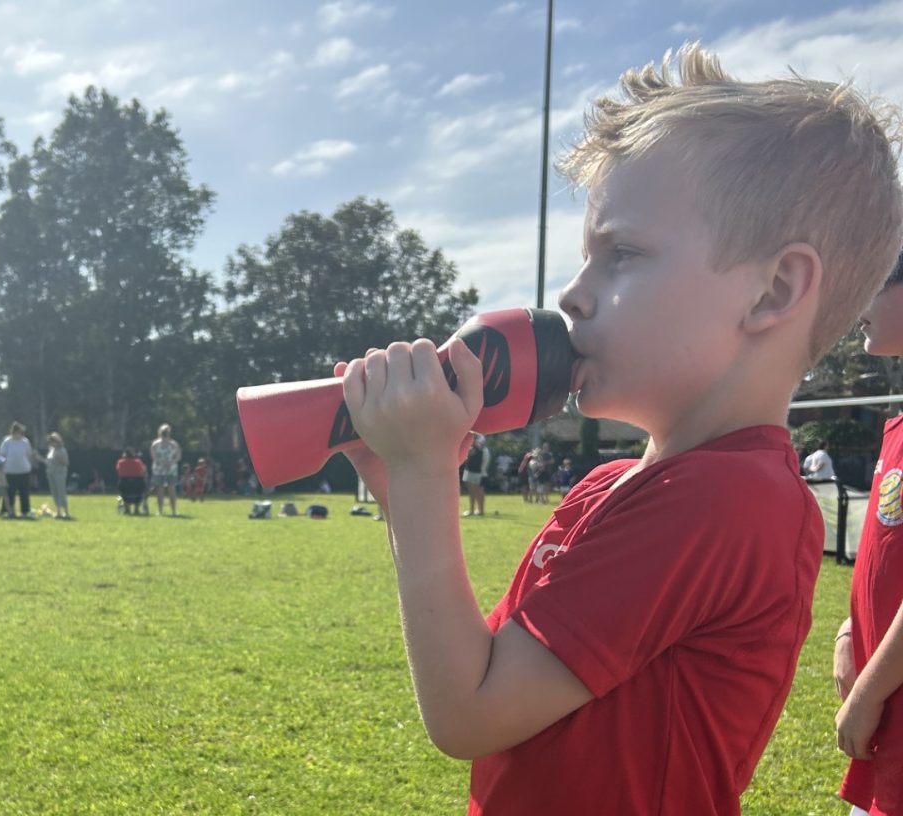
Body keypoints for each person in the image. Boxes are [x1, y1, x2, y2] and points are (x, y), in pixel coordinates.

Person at [333, 44, 901, 815]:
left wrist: (431, 475)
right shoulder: (615, 484)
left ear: (774, 290)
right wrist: (407, 490)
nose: (573, 293)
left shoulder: (725, 499)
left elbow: (469, 713)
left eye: (622, 254)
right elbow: (487, 665)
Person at [834, 252, 903, 815]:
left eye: (872, 284)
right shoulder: (897, 427)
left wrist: (866, 694)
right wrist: (846, 631)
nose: (857, 305)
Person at [0, 421, 35, 518]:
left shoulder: (25, 442)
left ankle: (24, 512)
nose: (18, 434)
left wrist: (31, 466)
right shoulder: (6, 442)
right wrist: (1, 471)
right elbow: (2, 456)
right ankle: (9, 511)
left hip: (24, 471)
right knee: (10, 493)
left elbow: (29, 455)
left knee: (24, 492)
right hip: (10, 471)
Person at [150, 423, 181, 516]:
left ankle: (160, 511)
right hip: (170, 469)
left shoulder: (155, 444)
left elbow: (154, 457)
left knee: (161, 490)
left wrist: (164, 463)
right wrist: (170, 463)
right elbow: (178, 457)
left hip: (160, 469)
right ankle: (173, 511)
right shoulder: (174, 444)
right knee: (171, 490)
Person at [37, 432, 71, 519]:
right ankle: (58, 511)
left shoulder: (62, 450)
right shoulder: (51, 450)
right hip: (50, 473)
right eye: (50, 441)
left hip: (59, 474)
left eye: (53, 441)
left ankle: (66, 512)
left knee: (61, 492)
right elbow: (48, 462)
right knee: (54, 493)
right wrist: (39, 458)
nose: (51, 443)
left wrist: (58, 458)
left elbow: (66, 462)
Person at [462, 433, 491, 517]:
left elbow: (472, 451)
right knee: (475, 491)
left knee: (476, 491)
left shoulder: (479, 449)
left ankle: (477, 510)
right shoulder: (482, 450)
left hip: (475, 472)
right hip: (474, 471)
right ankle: (476, 510)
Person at [115, 448, 148, 515]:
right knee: (140, 490)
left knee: (122, 493)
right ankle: (136, 509)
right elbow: (143, 471)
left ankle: (127, 509)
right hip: (137, 486)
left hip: (124, 486)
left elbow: (119, 472)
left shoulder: (121, 462)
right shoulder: (138, 462)